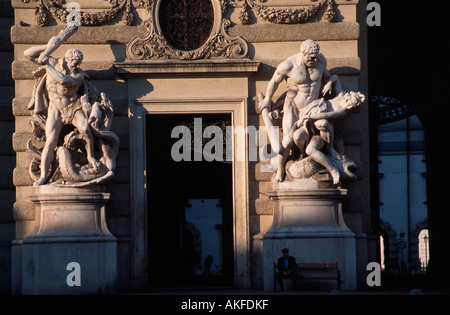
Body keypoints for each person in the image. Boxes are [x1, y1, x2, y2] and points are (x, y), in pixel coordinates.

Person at [260, 39, 343, 182]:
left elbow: (328, 77)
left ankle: (322, 155)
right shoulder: (289, 65)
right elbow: (274, 81)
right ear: (303, 54)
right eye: (311, 57)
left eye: (316, 56)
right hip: (294, 107)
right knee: (287, 140)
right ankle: (281, 170)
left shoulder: (320, 61)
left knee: (323, 125)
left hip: (314, 106)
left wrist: (329, 83)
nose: (314, 60)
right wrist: (267, 99)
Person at [24, 42, 101, 185]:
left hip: (73, 106)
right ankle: (43, 176)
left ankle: (90, 156)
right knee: (50, 141)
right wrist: (46, 46)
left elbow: (63, 80)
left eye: (78, 63)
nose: (76, 65)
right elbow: (27, 54)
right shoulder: (53, 62)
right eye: (74, 62)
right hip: (55, 109)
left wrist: (46, 65)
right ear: (66, 59)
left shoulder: (78, 74)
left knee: (84, 128)